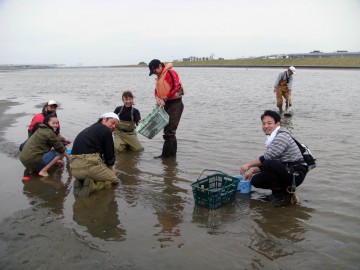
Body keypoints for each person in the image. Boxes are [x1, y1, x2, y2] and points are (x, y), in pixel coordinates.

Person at [239, 110, 308, 203]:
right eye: (263, 124)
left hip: (296, 173)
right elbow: (273, 160)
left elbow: (267, 158)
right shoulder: (273, 136)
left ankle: (278, 197)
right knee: (255, 180)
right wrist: (252, 171)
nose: (265, 126)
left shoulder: (281, 136)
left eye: (269, 123)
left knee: (268, 163)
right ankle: (284, 192)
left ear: (277, 124)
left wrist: (248, 165)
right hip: (287, 169)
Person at [69, 112, 120, 198]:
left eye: (116, 127)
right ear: (104, 119)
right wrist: (111, 170)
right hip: (89, 166)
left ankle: (81, 182)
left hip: (74, 169)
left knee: (97, 171)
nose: (114, 127)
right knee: (114, 180)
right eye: (113, 122)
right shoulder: (106, 130)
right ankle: (92, 186)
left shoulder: (87, 130)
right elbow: (109, 155)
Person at [148, 59, 184, 158]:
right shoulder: (159, 77)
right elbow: (156, 91)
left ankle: (165, 156)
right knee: (169, 131)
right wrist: (157, 98)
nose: (154, 74)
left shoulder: (170, 72)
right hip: (167, 104)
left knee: (169, 131)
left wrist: (165, 98)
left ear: (160, 66)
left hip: (175, 104)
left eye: (154, 71)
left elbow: (175, 87)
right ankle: (172, 157)